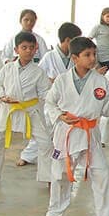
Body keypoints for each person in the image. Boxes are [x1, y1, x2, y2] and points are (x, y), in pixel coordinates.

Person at [42, 36, 109, 216]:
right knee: (59, 175)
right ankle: (54, 212)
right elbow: (49, 103)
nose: (92, 59)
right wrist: (60, 116)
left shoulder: (100, 81)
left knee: (102, 175)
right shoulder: (62, 80)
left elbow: (107, 111)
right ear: (74, 58)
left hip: (90, 135)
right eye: (87, 55)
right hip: (66, 134)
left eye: (94, 54)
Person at [0, 31, 52, 185]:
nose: (28, 50)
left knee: (46, 142)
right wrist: (1, 96)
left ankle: (48, 177)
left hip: (30, 111)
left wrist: (56, 98)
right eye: (24, 47)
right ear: (16, 50)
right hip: (8, 110)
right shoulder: (7, 69)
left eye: (31, 48)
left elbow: (45, 92)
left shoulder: (39, 72)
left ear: (36, 50)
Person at [32, 22, 82, 168]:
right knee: (45, 133)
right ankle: (30, 157)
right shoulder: (49, 57)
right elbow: (38, 75)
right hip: (53, 100)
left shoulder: (74, 57)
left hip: (70, 101)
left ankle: (60, 161)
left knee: (61, 136)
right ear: (67, 40)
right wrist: (50, 80)